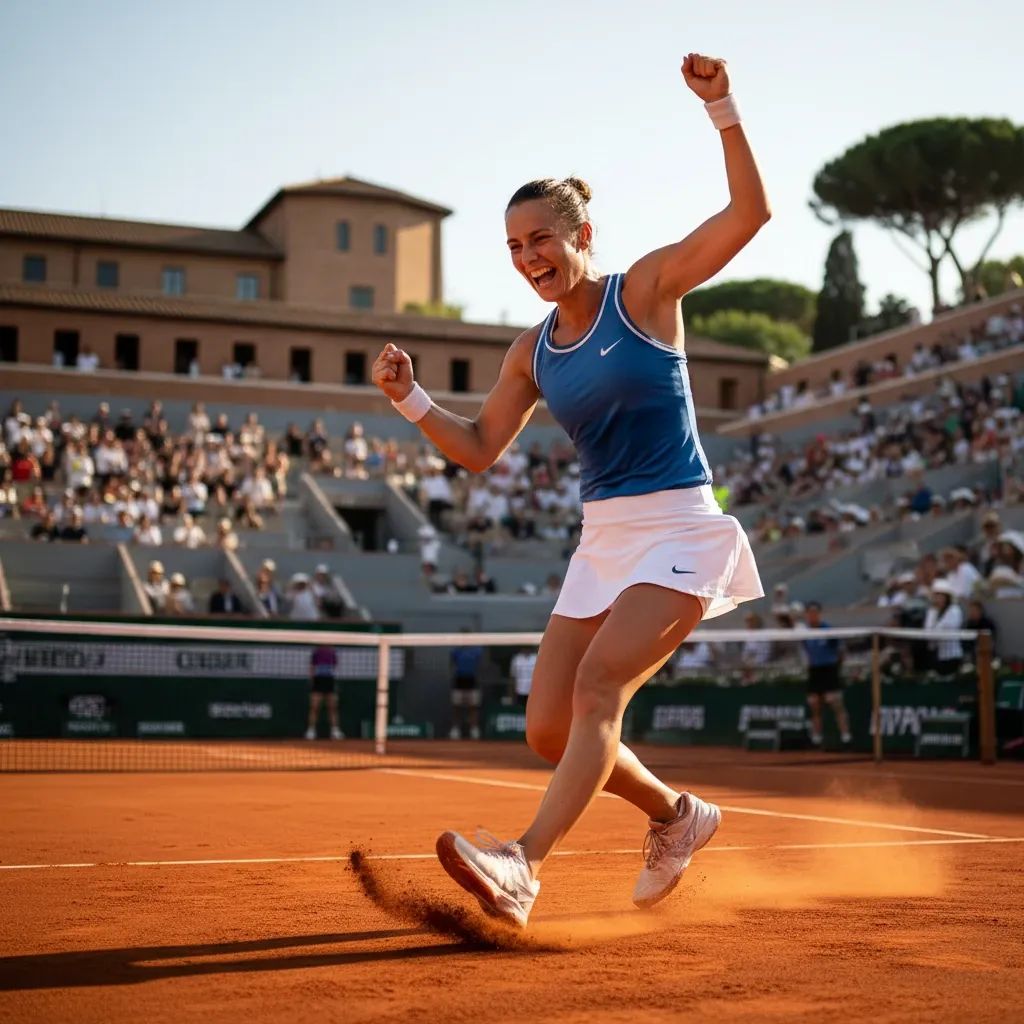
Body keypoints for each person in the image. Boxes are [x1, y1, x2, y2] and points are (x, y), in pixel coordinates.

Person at [371, 52, 766, 926]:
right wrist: (411, 401)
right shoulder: (532, 351)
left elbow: (750, 213)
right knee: (549, 729)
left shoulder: (651, 291)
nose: (527, 257)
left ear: (582, 235)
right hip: (604, 541)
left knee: (597, 694)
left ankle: (522, 864)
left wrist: (724, 108)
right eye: (513, 247)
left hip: (679, 528)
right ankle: (676, 816)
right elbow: (477, 449)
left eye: (540, 239)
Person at [801, 601, 852, 747]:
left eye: (815, 613)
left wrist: (837, 667)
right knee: (815, 704)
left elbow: (840, 650)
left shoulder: (828, 630)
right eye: (810, 613)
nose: (812, 615)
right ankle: (817, 737)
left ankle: (845, 735)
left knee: (835, 702)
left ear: (819, 614)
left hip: (829, 669)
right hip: (814, 671)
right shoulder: (805, 632)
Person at [924, 580, 964, 676]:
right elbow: (927, 631)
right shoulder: (932, 611)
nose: (938, 598)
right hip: (936, 655)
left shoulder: (955, 610)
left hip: (952, 656)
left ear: (947, 597)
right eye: (936, 596)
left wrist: (933, 632)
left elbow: (945, 629)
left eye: (941, 595)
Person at [305, 645, 343, 740]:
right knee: (314, 707)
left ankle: (335, 731)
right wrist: (312, 681)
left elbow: (335, 666)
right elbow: (312, 667)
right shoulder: (316, 652)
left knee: (333, 708)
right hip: (318, 681)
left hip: (329, 681)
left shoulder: (332, 652)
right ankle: (311, 731)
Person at [450, 636, 484, 739]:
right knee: (456, 707)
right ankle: (456, 729)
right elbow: (451, 665)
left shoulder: (477, 651)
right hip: (459, 680)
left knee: (473, 706)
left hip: (472, 681)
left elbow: (480, 665)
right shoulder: (456, 651)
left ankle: (474, 729)